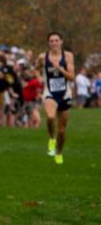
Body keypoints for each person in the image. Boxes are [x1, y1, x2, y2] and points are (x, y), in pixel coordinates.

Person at [38, 32, 75, 165]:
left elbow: (71, 77)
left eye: (56, 40)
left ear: (61, 42)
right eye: (51, 41)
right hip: (50, 93)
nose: (54, 43)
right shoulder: (43, 57)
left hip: (65, 94)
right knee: (50, 117)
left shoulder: (68, 56)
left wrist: (59, 68)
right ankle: (51, 138)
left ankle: (59, 153)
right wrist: (39, 76)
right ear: (48, 43)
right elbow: (37, 68)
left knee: (62, 130)